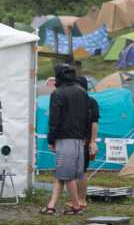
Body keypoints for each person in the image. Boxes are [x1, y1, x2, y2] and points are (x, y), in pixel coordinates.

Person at [41, 64, 90, 215]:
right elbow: (86, 118)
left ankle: (76, 206)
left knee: (66, 175)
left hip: (64, 138)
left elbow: (54, 120)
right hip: (79, 139)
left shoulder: (58, 94)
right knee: (63, 174)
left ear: (59, 77)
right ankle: (51, 206)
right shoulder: (82, 92)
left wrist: (51, 139)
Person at [76, 76, 100, 208]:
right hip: (75, 139)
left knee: (82, 170)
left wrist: (93, 142)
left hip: (84, 140)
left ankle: (81, 199)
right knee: (76, 171)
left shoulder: (91, 102)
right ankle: (77, 199)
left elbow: (94, 123)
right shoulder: (89, 101)